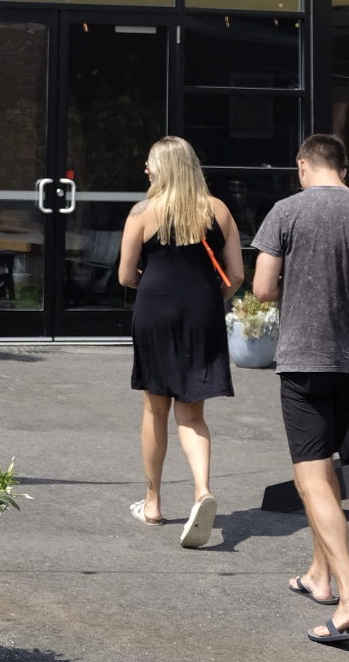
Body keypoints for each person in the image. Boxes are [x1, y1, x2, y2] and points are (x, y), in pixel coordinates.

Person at [253, 134, 349, 645]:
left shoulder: (286, 211)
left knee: (311, 479)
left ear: (302, 165)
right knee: (325, 471)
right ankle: (320, 575)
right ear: (344, 167)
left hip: (304, 359)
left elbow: (263, 288)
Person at [118, 135, 244, 549]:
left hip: (155, 312)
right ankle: (202, 491)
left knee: (155, 410)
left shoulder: (142, 211)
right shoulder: (218, 210)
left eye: (151, 164)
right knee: (191, 415)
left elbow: (124, 276)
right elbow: (238, 276)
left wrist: (152, 287)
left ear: (165, 168)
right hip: (202, 314)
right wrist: (212, 299)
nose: (146, 170)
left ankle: (152, 503)